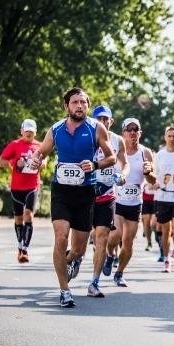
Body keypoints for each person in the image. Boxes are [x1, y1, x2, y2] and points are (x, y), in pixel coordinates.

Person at [29, 88, 116, 308]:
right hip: (62, 191)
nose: (80, 106)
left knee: (79, 249)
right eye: (75, 102)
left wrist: (95, 165)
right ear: (66, 106)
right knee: (60, 238)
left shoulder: (97, 129)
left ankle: (71, 261)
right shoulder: (56, 129)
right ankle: (64, 291)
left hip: (86, 192)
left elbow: (112, 157)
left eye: (83, 102)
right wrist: (36, 161)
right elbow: (41, 152)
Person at [106, 118, 157, 287]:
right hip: (117, 200)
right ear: (123, 133)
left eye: (136, 129)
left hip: (135, 203)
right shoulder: (117, 150)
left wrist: (148, 172)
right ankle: (109, 254)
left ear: (140, 133)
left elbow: (152, 180)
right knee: (115, 235)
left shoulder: (145, 152)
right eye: (129, 129)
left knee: (128, 241)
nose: (133, 132)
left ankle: (119, 272)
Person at [87, 105, 129, 298]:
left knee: (103, 236)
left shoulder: (117, 140)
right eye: (99, 119)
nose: (103, 122)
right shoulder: (85, 136)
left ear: (111, 122)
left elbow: (125, 163)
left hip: (107, 193)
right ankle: (76, 259)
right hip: (85, 193)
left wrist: (122, 174)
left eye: (106, 119)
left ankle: (94, 282)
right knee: (82, 242)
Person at [0, 118, 45, 263]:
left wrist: (38, 163)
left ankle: (25, 249)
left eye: (31, 131)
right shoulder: (14, 145)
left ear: (35, 132)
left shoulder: (39, 145)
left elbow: (44, 164)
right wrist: (14, 163)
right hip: (17, 187)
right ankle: (19, 245)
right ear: (21, 131)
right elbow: (0, 162)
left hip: (32, 186)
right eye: (26, 130)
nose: (29, 133)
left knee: (28, 215)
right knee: (18, 218)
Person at [153, 125, 174, 273]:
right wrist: (154, 183)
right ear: (165, 137)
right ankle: (166, 259)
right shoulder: (159, 156)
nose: (172, 138)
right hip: (162, 196)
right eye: (169, 136)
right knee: (166, 230)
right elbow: (154, 174)